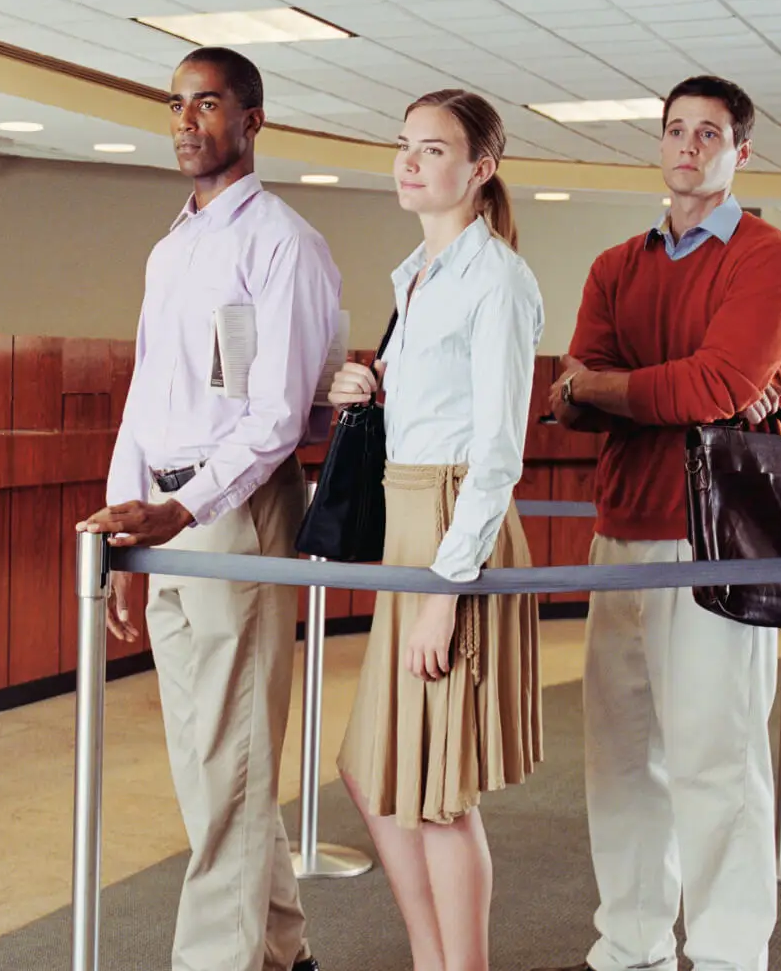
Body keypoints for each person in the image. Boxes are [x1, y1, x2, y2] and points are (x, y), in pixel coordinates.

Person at [74, 46, 339, 971]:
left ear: (252, 121)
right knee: (208, 759)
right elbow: (147, 396)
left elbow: (273, 418)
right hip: (167, 516)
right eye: (177, 105)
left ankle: (216, 963)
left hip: (235, 511)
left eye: (209, 104)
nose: (188, 122)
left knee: (230, 753)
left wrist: (182, 511)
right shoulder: (173, 245)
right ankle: (281, 949)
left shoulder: (285, 244)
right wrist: (124, 515)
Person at [537, 75, 781, 971]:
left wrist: (603, 386)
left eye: (709, 132)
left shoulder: (770, 259)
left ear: (741, 152)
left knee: (716, 765)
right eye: (675, 130)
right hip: (620, 533)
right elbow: (575, 405)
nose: (688, 145)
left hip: (716, 546)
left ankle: (730, 957)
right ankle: (631, 946)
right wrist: (621, 392)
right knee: (619, 761)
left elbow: (715, 387)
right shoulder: (616, 265)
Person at [325, 89, 544, 971]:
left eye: (434, 150)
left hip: (457, 530)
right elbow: (437, 413)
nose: (409, 162)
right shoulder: (415, 274)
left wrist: (448, 594)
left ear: (479, 170)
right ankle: (432, 961)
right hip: (408, 520)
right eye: (404, 145)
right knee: (372, 772)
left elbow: (496, 451)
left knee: (441, 793)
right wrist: (369, 392)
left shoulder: (496, 278)